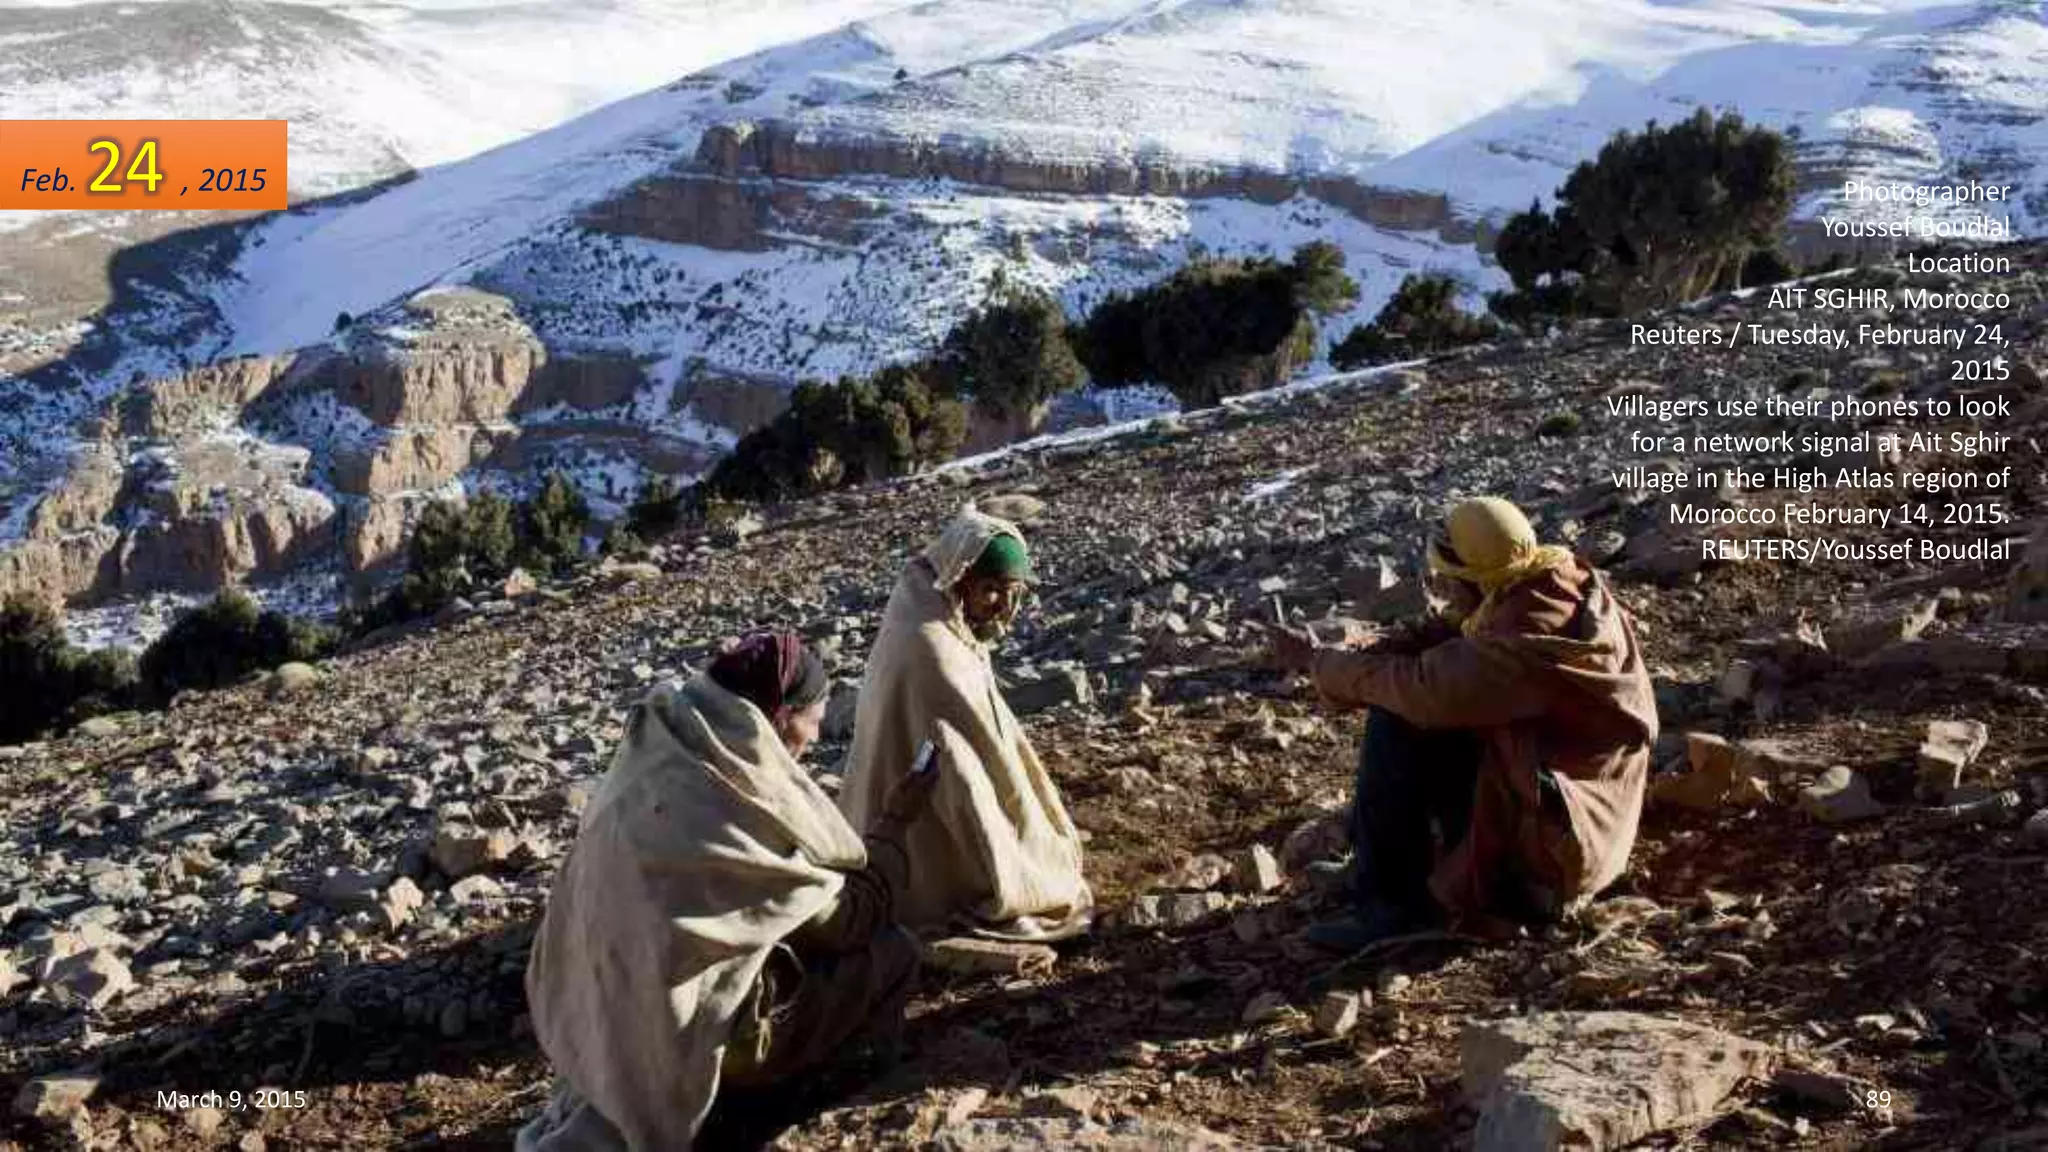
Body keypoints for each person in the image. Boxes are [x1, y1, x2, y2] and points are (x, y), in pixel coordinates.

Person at [519, 632, 933, 1152]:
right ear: (778, 719)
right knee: (893, 953)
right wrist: (896, 823)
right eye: (814, 720)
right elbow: (848, 919)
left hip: (599, 1022)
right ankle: (792, 1112)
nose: (816, 735)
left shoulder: (660, 756)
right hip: (688, 1033)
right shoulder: (737, 800)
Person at [1270, 496, 1658, 950]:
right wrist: (1363, 646)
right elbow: (1455, 632)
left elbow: (1423, 688)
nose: (1443, 590)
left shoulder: (1523, 644)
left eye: (1449, 581)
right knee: (1416, 706)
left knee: (1399, 721)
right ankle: (1389, 869)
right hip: (1573, 823)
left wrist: (1317, 663)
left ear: (1475, 579)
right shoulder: (1547, 580)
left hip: (1554, 861)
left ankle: (1394, 907)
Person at [838, 506, 1093, 942]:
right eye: (990, 589)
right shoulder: (930, 642)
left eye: (1009, 593)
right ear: (960, 576)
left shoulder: (927, 605)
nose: (1000, 606)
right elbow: (965, 754)